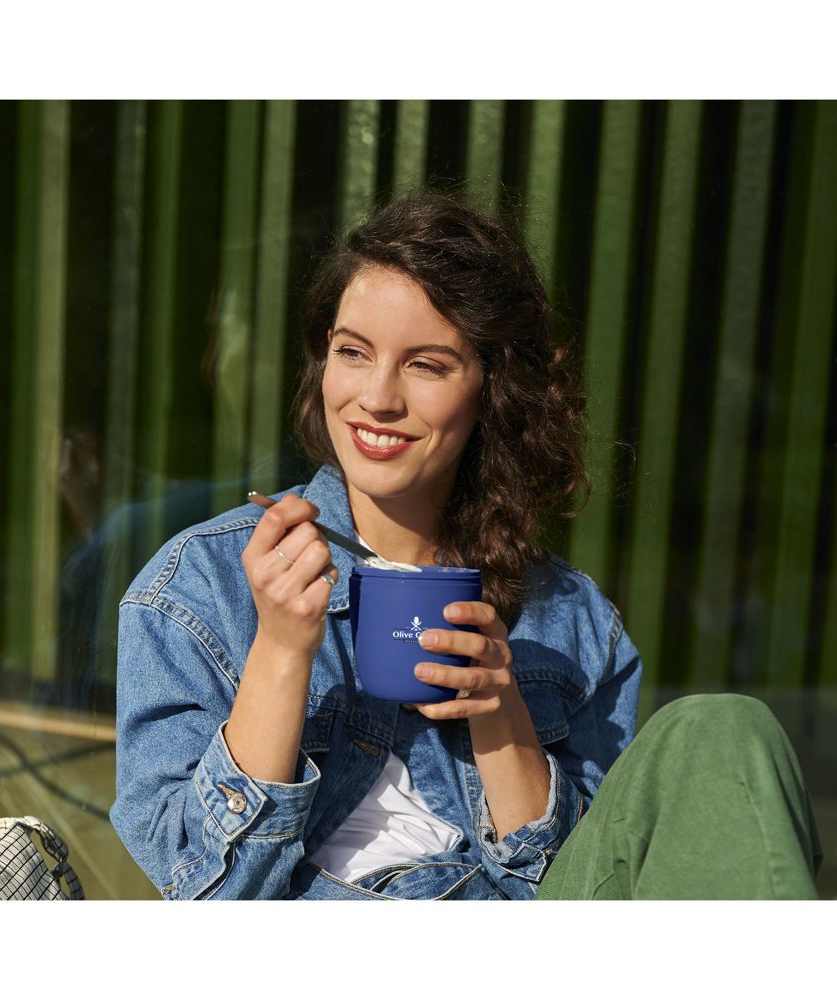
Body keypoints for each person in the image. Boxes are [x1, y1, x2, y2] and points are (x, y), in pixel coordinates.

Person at [110, 190, 822, 900]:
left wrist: (502, 715)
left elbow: (592, 891)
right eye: (352, 352)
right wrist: (281, 649)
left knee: (724, 728)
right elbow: (203, 893)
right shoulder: (198, 587)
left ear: (491, 387)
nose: (377, 398)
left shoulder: (571, 620)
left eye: (426, 365)